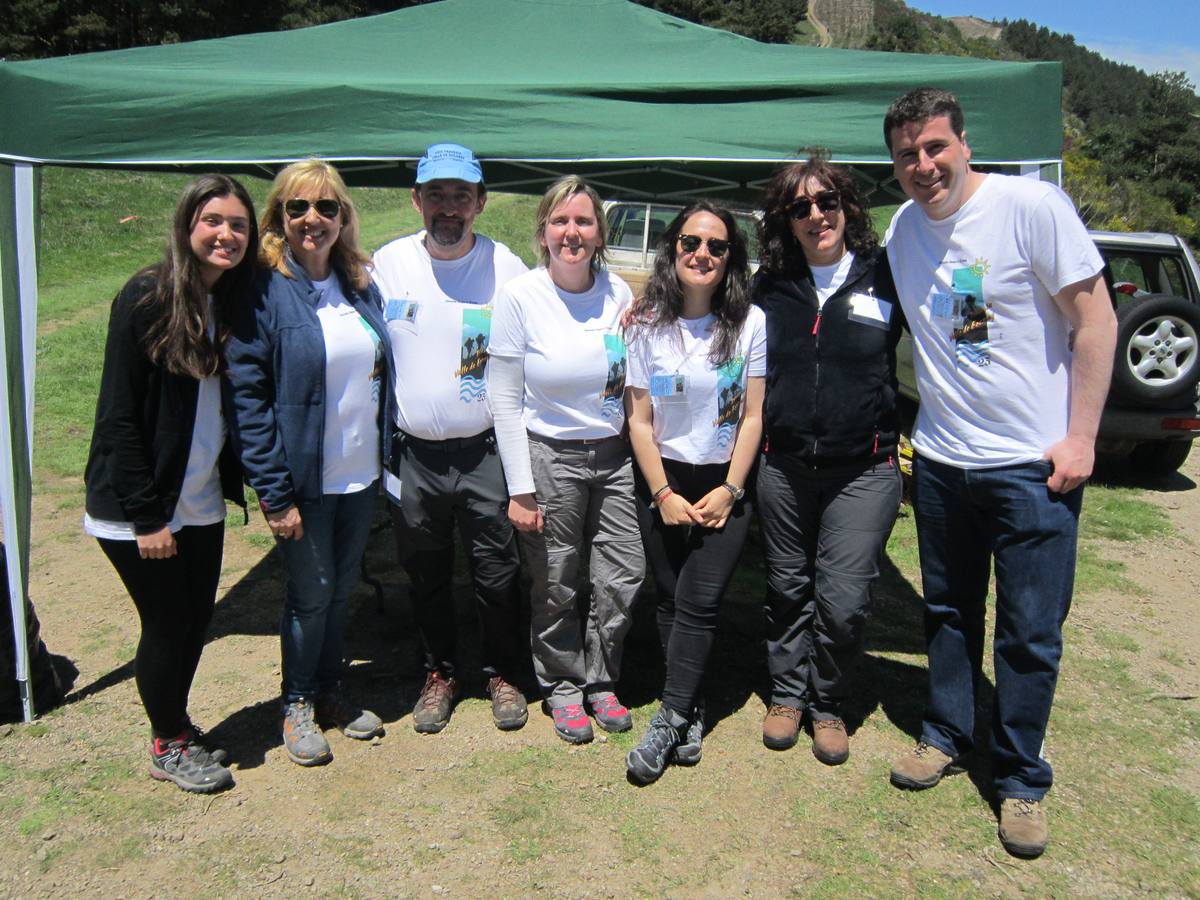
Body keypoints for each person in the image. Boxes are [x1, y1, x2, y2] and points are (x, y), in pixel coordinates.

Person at [881, 88, 1117, 858]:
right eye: (908, 155)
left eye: (935, 147)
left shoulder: (1032, 207)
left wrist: (1081, 437)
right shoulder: (903, 230)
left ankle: (1020, 778)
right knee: (947, 613)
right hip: (945, 462)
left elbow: (1097, 321)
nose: (923, 165)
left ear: (964, 144)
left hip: (1031, 469)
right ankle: (948, 733)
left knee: (1029, 632)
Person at [84, 174, 258, 793]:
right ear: (187, 227)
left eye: (238, 225)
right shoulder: (147, 298)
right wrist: (148, 518)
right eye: (213, 221)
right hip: (142, 505)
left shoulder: (231, 302)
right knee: (165, 622)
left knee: (194, 620)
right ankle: (167, 742)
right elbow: (119, 418)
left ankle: (177, 725)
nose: (226, 234)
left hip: (201, 498)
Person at [224, 159, 394, 767]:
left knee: (342, 588)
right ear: (279, 218)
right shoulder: (263, 292)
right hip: (302, 480)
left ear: (343, 217)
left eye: (327, 207)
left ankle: (330, 690)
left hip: (360, 472)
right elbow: (249, 400)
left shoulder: (358, 284)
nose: (312, 219)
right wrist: (273, 492)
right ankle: (295, 701)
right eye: (298, 208)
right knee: (311, 591)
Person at [371, 144, 530, 734]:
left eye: (461, 195)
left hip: (484, 452)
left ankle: (503, 671)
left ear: (480, 202)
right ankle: (439, 672)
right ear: (416, 200)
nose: (448, 207)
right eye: (435, 193)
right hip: (414, 458)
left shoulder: (506, 267)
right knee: (426, 573)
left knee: (497, 571)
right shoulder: (386, 265)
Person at [753, 157, 904, 766]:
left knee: (843, 599)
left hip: (863, 469)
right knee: (787, 588)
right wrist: (643, 311)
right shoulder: (768, 286)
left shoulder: (886, 276)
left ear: (848, 207)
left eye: (827, 202)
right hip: (784, 466)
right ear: (786, 222)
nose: (816, 215)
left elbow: (960, 322)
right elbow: (699, 306)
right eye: (800, 208)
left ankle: (828, 703)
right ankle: (787, 696)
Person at [487, 175, 645, 744]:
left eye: (583, 221)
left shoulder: (619, 294)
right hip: (549, 454)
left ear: (600, 231)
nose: (571, 232)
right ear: (544, 231)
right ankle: (562, 685)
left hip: (613, 454)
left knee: (623, 573)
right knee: (555, 578)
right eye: (560, 221)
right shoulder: (521, 297)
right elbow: (502, 397)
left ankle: (603, 679)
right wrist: (521, 487)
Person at [621, 202, 765, 784]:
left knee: (701, 601)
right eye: (690, 243)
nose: (701, 254)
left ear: (731, 257)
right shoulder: (646, 324)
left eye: (716, 245)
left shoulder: (750, 323)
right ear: (672, 250)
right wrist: (661, 494)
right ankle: (694, 706)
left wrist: (732, 487)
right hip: (663, 480)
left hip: (724, 484)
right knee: (669, 596)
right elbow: (638, 420)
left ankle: (669, 717)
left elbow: (754, 416)